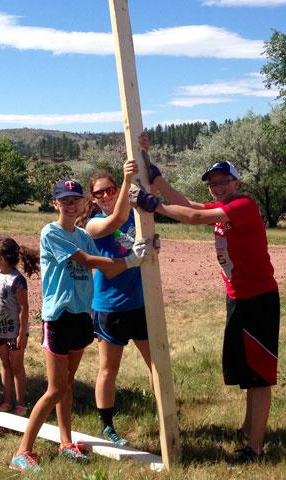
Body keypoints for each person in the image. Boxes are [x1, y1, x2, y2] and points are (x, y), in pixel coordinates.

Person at [131, 160, 279, 464]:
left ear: (237, 183)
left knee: (261, 375)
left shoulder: (244, 205)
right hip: (239, 298)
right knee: (249, 372)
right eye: (213, 183)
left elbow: (195, 216)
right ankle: (248, 431)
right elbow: (188, 204)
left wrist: (153, 204)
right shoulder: (222, 210)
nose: (218, 187)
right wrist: (157, 180)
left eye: (223, 181)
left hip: (258, 299)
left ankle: (256, 449)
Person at [9, 179, 151, 473]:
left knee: (67, 386)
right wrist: (130, 262)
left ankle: (65, 441)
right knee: (54, 389)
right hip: (58, 318)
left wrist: (138, 253)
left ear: (81, 203)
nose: (71, 204)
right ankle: (22, 452)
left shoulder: (84, 234)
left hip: (80, 318)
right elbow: (87, 261)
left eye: (75, 199)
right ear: (55, 204)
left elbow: (108, 262)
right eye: (65, 200)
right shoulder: (51, 232)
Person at [76, 133, 188, 446]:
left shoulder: (135, 216)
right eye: (100, 192)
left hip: (140, 303)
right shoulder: (95, 225)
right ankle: (107, 426)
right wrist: (126, 182)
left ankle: (166, 415)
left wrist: (143, 155)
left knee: (156, 362)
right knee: (108, 369)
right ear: (94, 198)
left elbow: (147, 191)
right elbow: (117, 218)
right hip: (110, 307)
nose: (106, 194)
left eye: (110, 189)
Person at [0, 237, 40, 416]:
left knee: (17, 366)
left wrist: (22, 334)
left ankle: (20, 403)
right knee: (5, 364)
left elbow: (24, 308)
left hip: (15, 333)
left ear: (1, 259)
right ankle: (7, 401)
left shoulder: (17, 280)